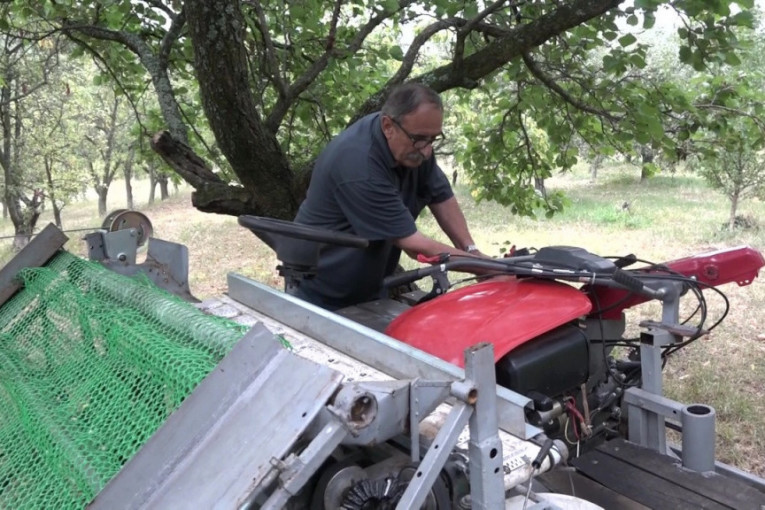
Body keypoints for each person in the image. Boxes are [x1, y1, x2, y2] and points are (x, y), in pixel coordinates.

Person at [292, 83, 484, 310]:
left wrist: (472, 251)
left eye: (433, 139)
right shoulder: (358, 165)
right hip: (321, 292)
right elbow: (414, 246)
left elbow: (440, 195)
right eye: (421, 139)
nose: (427, 151)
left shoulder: (414, 141)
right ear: (387, 126)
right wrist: (487, 268)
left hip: (369, 288)